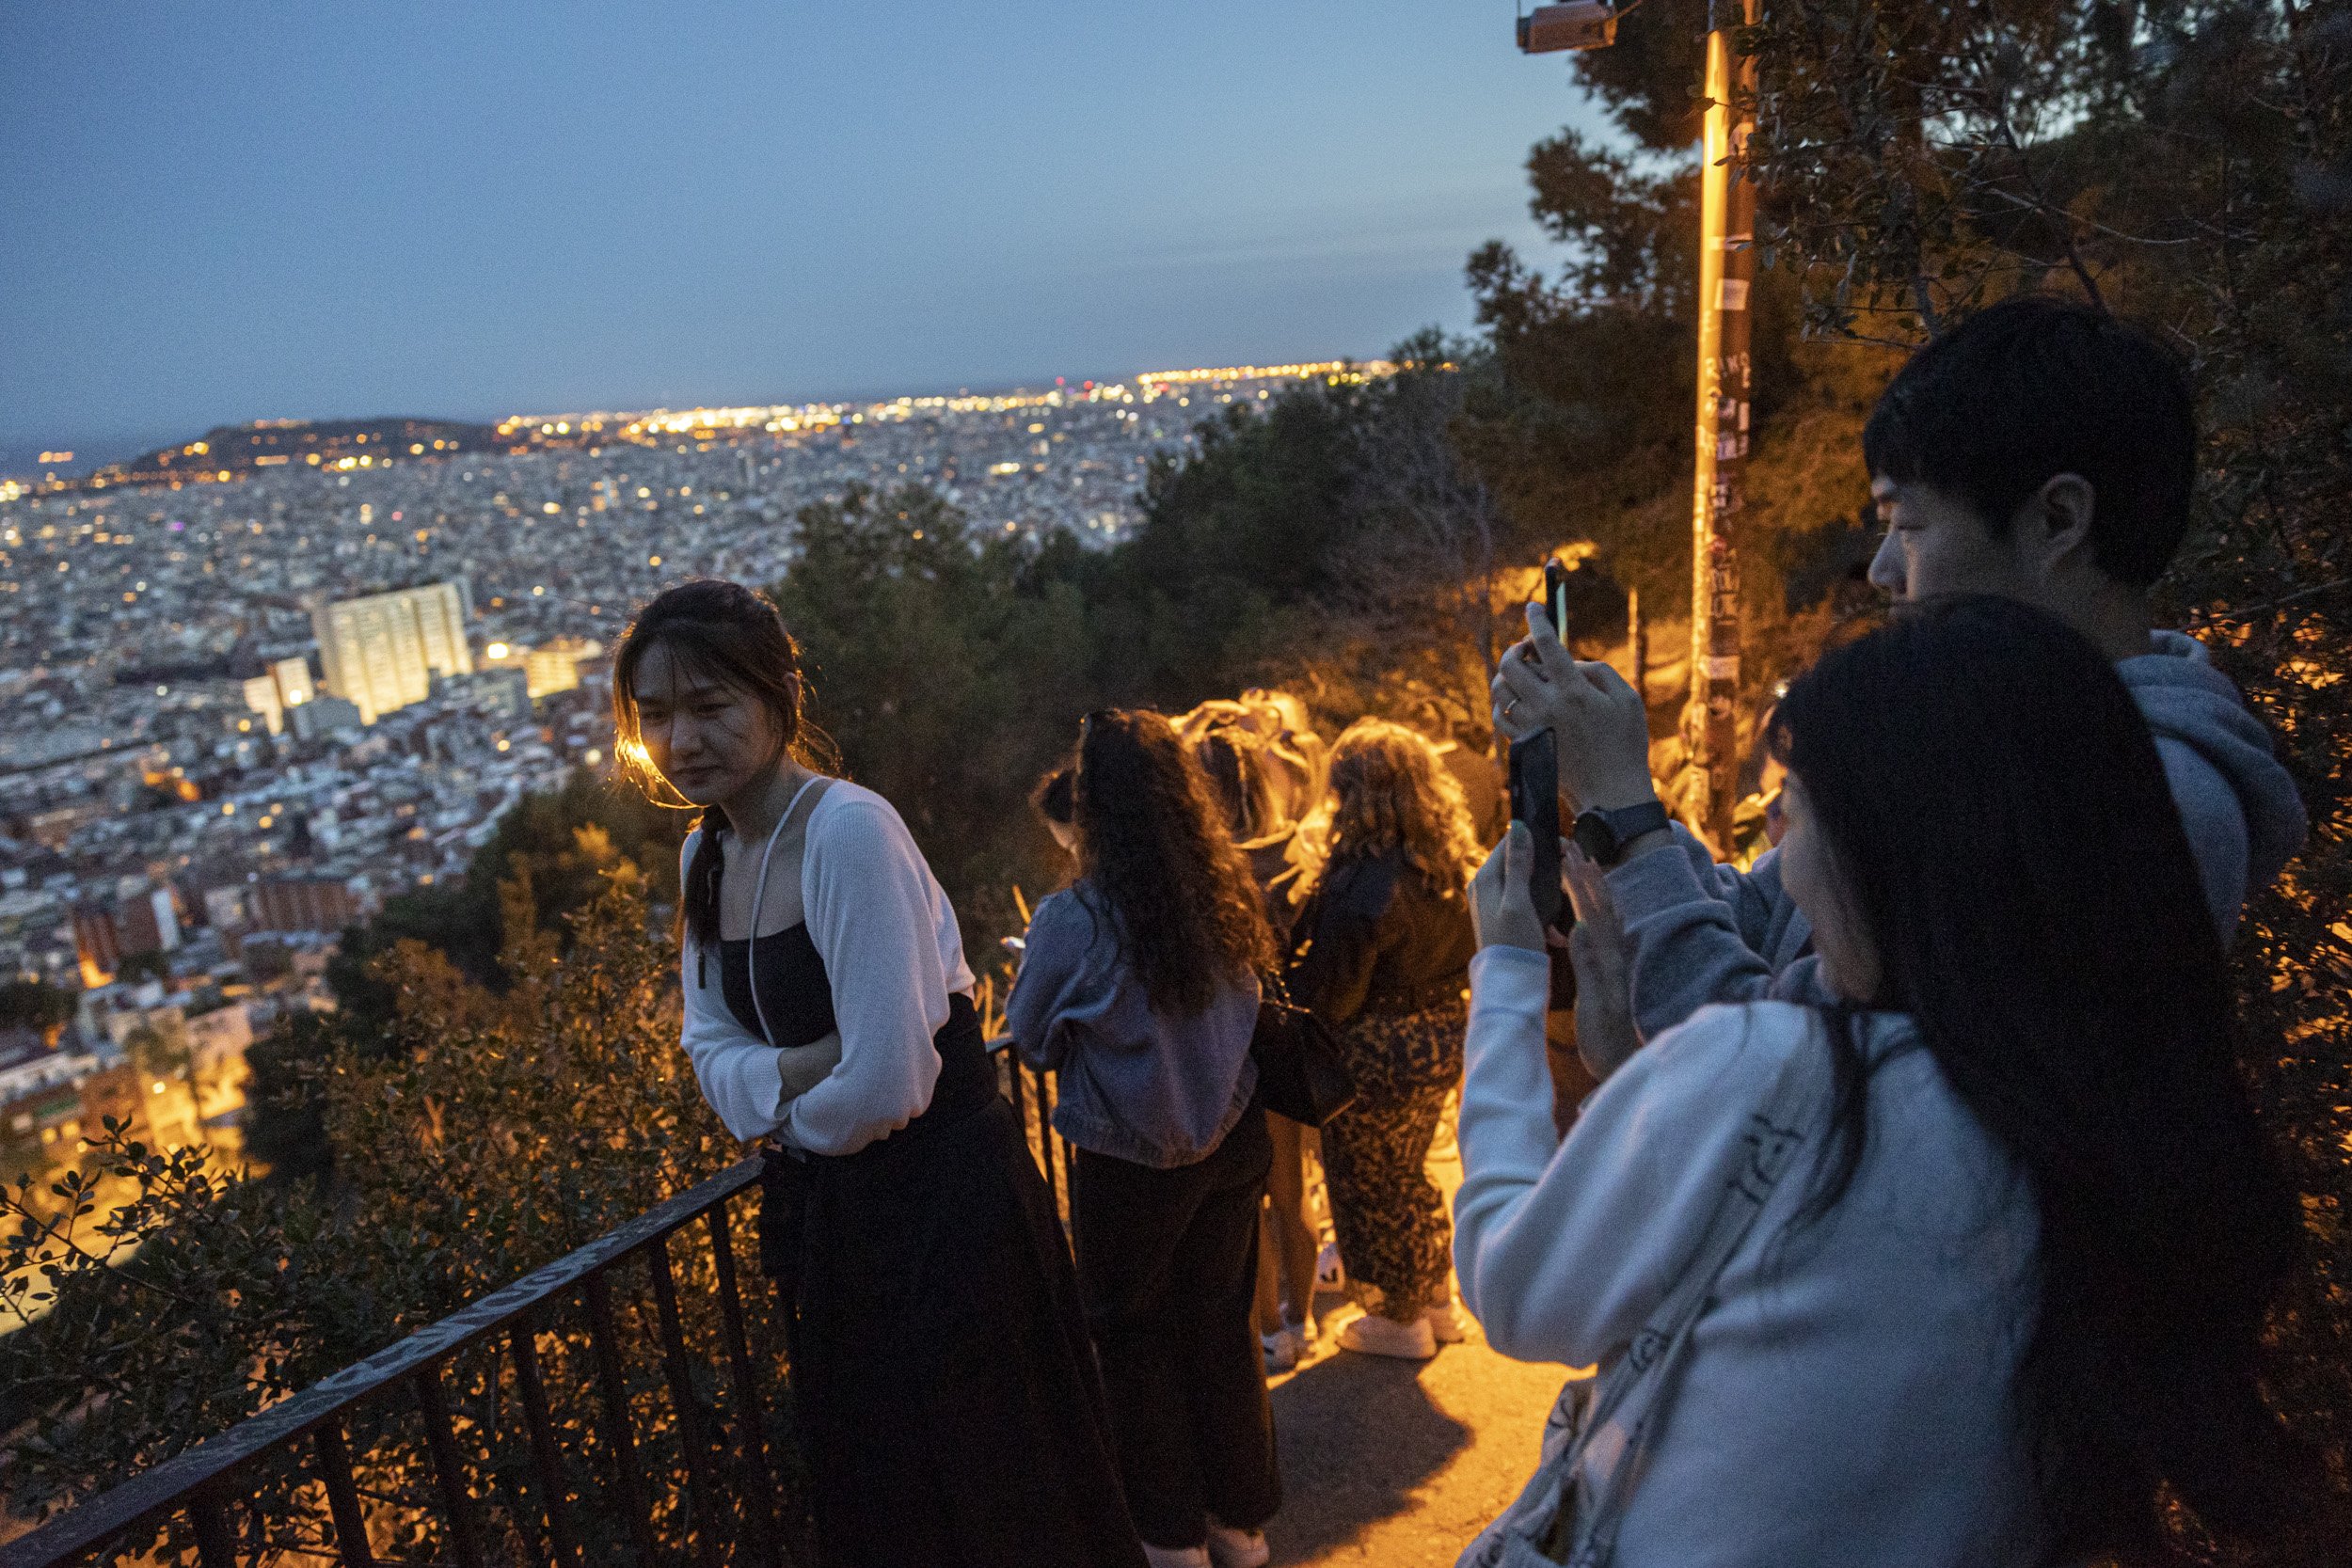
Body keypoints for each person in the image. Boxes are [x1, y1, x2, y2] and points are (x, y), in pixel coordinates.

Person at [1456, 595, 2316, 1567]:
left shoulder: (1783, 1067)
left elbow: (1511, 1282)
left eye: (1799, 817)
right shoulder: (2110, 1121)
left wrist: (1507, 974)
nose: (1783, 873)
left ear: (1897, 848)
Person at [1491, 295, 2308, 1044]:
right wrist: (1603, 801)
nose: (1881, 571)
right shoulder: (1976, 729)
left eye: (1906, 525)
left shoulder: (2139, 797)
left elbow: (1797, 1070)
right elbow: (1764, 919)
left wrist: (1628, 818)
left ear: (2058, 518)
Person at [613, 580, 1145, 1568]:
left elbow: (892, 1080)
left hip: (949, 1219)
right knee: (898, 1500)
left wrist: (785, 1105)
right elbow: (707, 1057)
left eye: (709, 704)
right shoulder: (708, 855)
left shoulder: (849, 831)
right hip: (849, 1228)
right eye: (655, 715)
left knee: (998, 1493)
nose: (680, 738)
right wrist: (810, 1069)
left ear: (778, 700)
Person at [1009, 710, 1282, 1568]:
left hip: (1129, 1161)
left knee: (1132, 1342)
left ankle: (1171, 1539)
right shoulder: (1225, 889)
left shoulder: (1073, 918)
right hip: (1234, 1140)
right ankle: (1241, 1525)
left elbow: (1029, 1036)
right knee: (1218, 1324)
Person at [1286, 718, 1480, 1360]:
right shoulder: (1447, 860)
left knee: (1370, 1184)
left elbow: (1332, 993)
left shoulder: (1359, 883)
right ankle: (1436, 1299)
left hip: (1377, 1050)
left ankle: (1399, 1320)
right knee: (1409, 1171)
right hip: (1442, 1034)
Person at [1183, 719, 1324, 1372]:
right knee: (1294, 1193)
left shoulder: (1213, 871)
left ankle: (1270, 1330)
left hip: (1238, 1048)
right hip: (1292, 1040)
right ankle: (1305, 1318)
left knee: (1253, 1203)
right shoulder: (1295, 852)